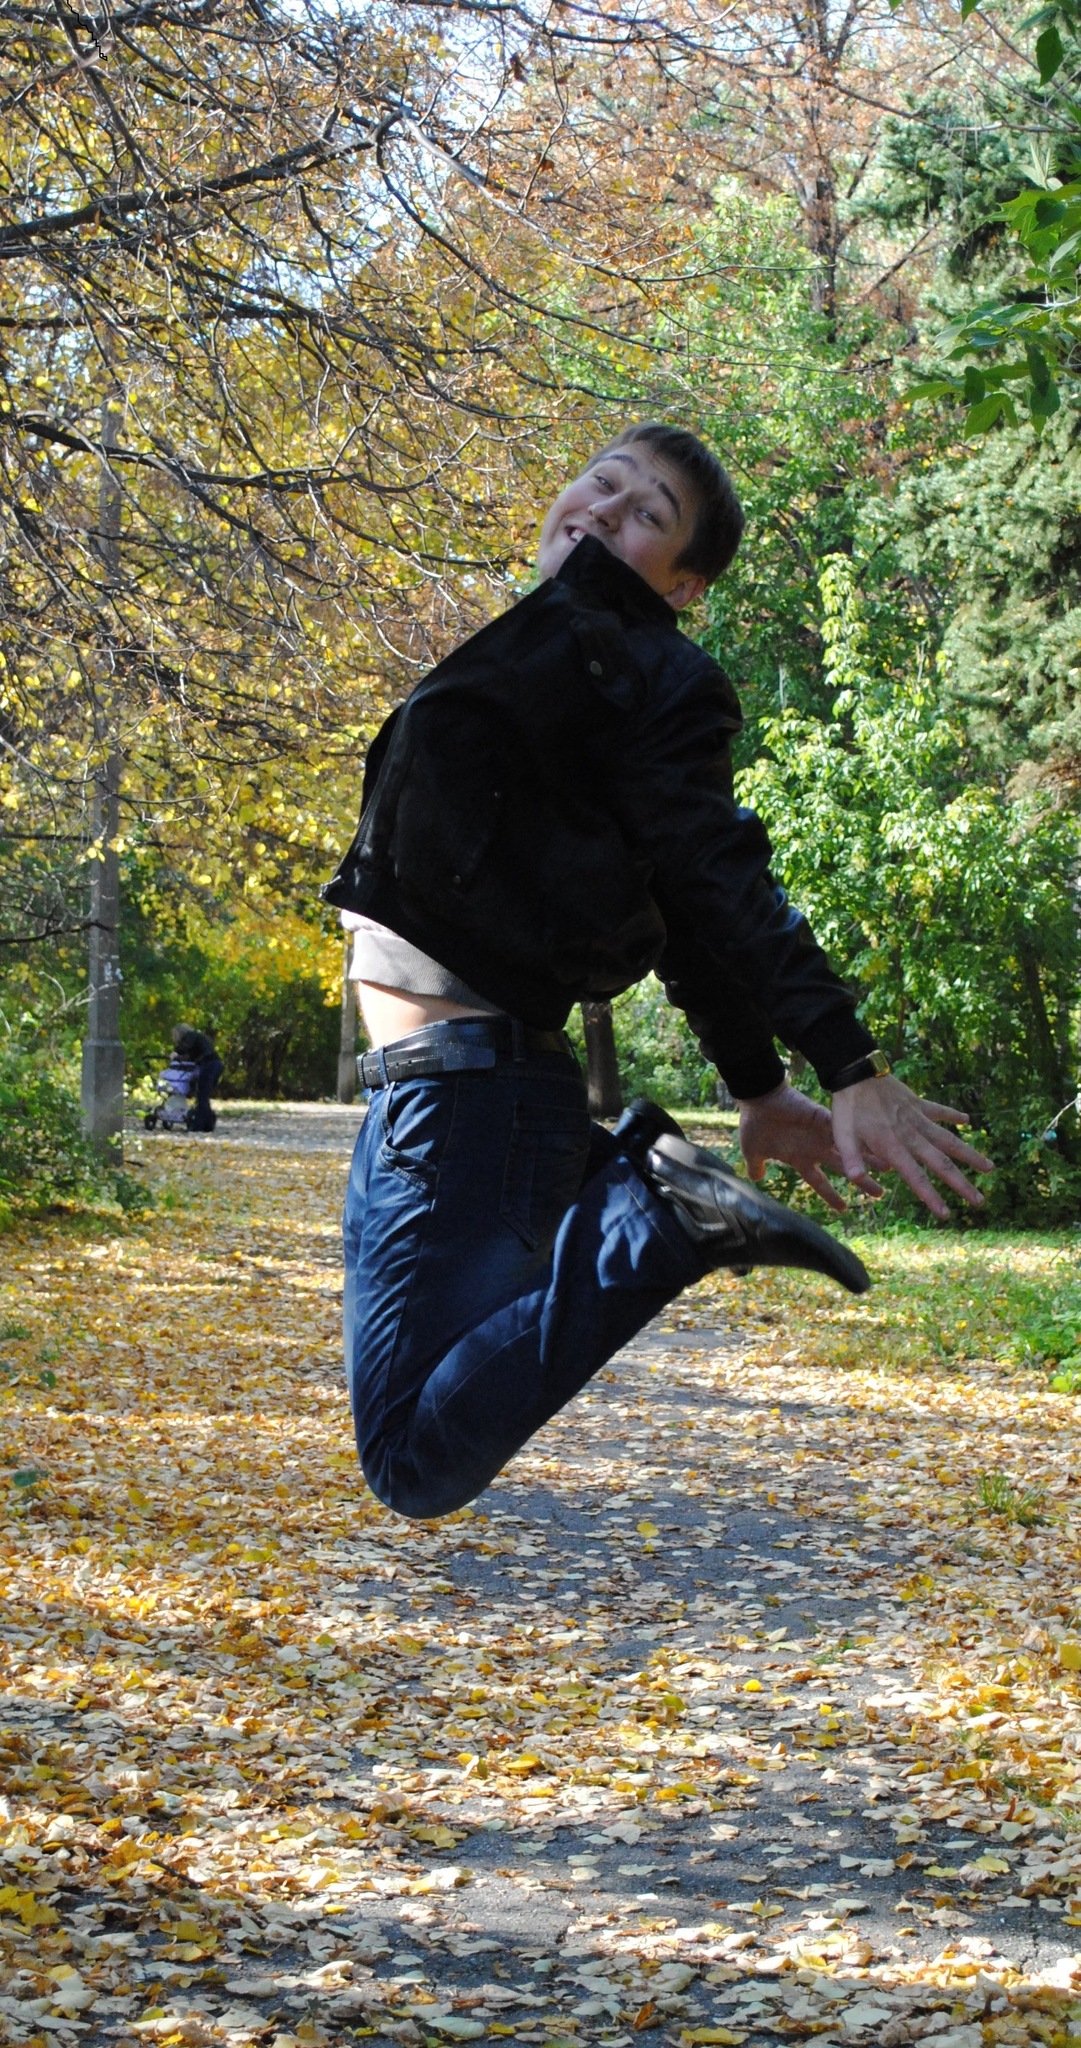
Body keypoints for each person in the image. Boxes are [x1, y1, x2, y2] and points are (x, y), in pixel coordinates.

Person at [324, 423, 991, 1520]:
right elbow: (674, 909)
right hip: (445, 1097)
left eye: (647, 515)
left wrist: (846, 1058)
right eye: (603, 482)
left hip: (467, 1099)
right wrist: (757, 1085)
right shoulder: (557, 659)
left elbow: (714, 872)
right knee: (411, 1435)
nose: (603, 509)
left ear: (683, 588)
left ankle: (659, 1218)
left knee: (410, 1457)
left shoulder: (628, 663)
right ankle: (651, 1199)